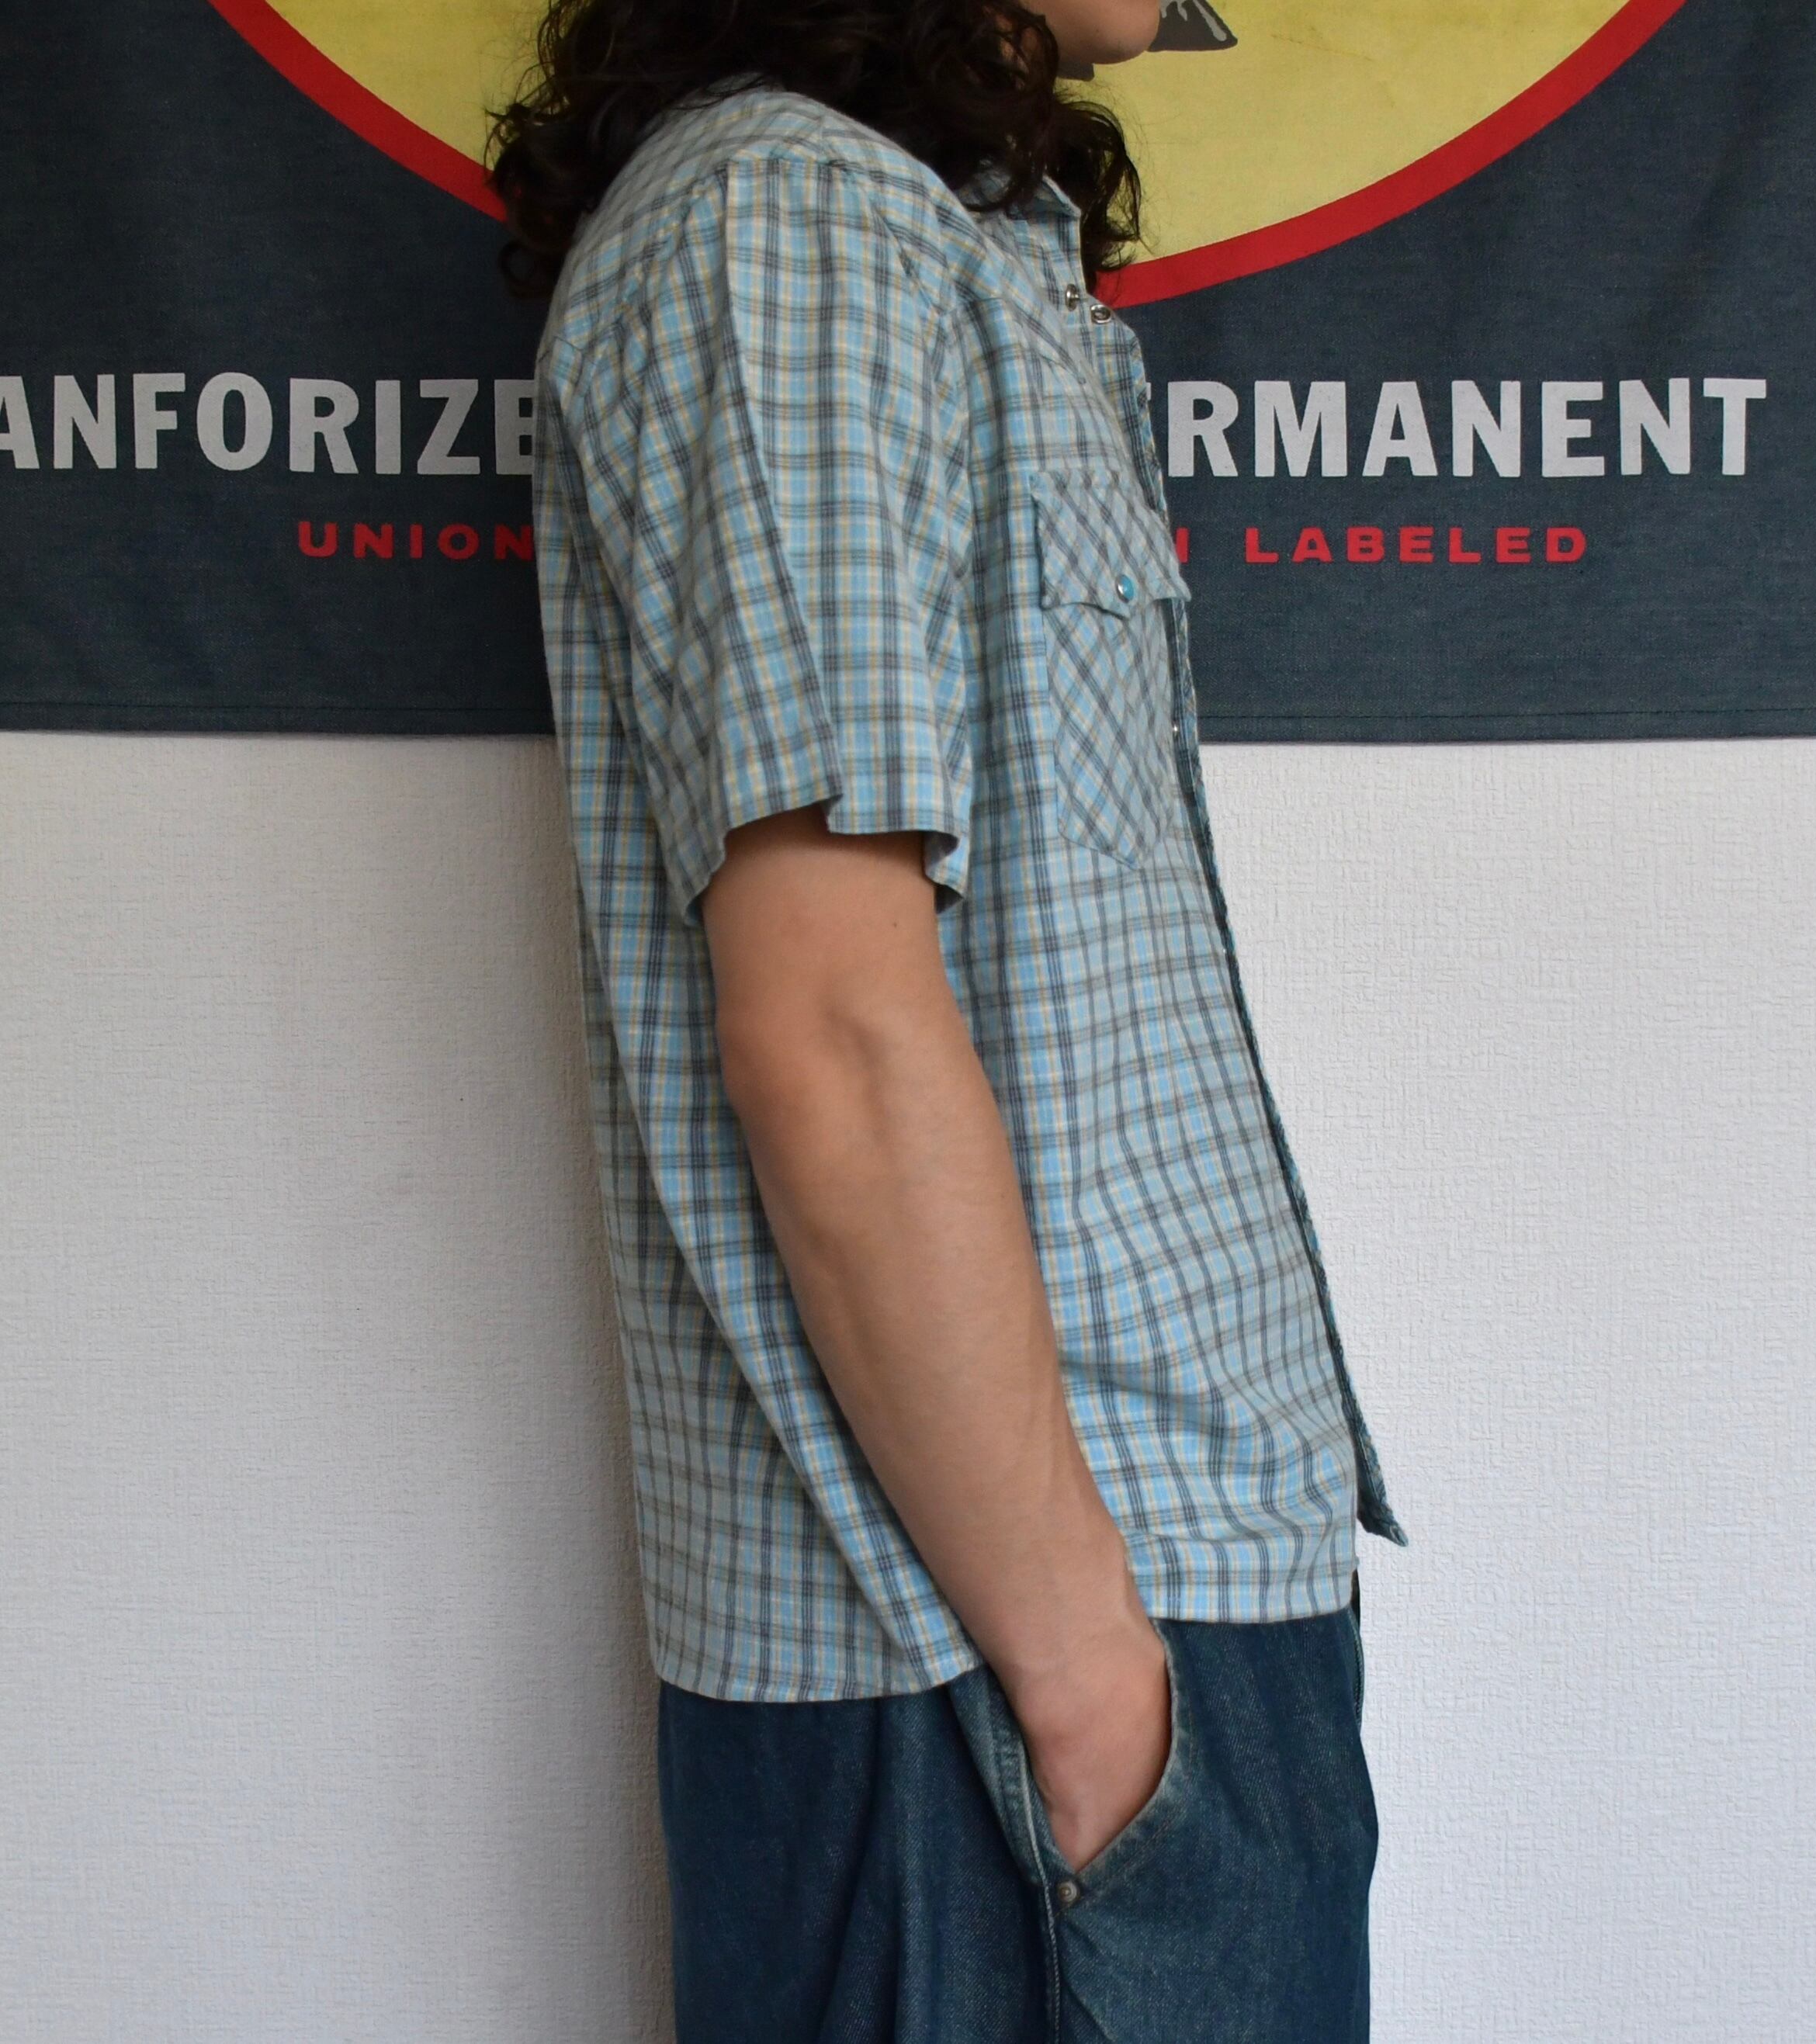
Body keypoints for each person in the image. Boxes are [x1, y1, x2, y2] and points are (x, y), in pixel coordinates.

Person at [490, 0, 1405, 2034]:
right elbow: (829, 1027)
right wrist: (1092, 1693)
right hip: (993, 1661)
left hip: (1082, 1625)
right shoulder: (787, 228)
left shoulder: (898, 237)